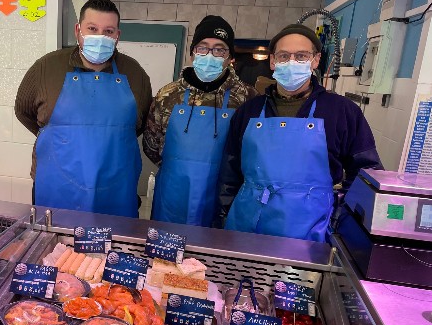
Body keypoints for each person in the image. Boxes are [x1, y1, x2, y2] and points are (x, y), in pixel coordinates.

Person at [215, 24, 383, 242]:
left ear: (315, 60)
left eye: (301, 56)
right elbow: (230, 173)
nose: (292, 62)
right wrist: (224, 217)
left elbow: (366, 175)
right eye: (284, 56)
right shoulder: (249, 111)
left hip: (312, 233)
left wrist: (339, 220)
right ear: (273, 61)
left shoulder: (342, 111)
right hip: (246, 226)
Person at [15, 0, 152, 218]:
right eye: (92, 28)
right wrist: (61, 136)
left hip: (115, 189)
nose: (100, 36)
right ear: (78, 30)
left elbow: (140, 123)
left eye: (108, 31)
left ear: (117, 36)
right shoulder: (46, 68)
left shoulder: (135, 74)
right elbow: (24, 112)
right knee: (56, 250)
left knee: (113, 248)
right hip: (56, 186)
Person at [143, 16, 258, 227]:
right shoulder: (168, 95)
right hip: (172, 195)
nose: (210, 55)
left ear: (230, 57)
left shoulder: (247, 98)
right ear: (193, 52)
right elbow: (151, 144)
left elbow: (252, 152)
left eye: (219, 49)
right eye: (203, 47)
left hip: (221, 198)